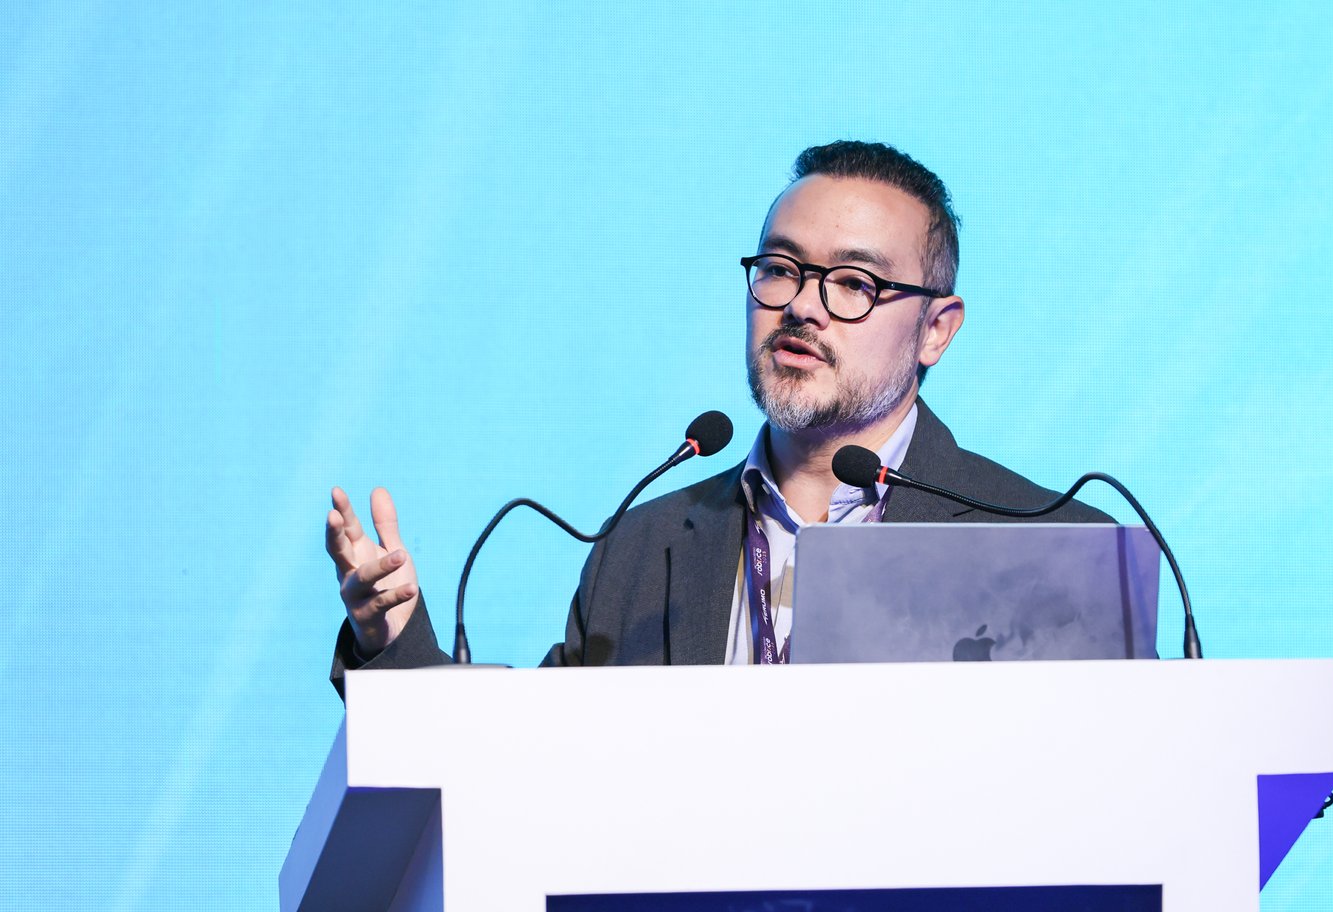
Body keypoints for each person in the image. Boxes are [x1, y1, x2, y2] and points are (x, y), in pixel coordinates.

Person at [325, 141, 1107, 688]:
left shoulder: (1050, 549)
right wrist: (393, 640)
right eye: (780, 267)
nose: (802, 305)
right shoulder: (640, 547)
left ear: (937, 329)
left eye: (853, 283)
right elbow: (526, 770)